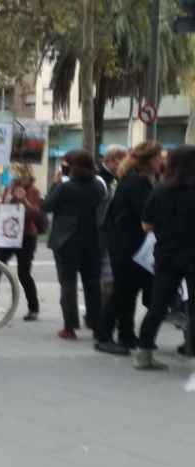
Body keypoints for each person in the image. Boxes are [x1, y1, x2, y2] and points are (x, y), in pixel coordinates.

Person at [94, 141, 162, 355]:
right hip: (128, 245)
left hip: (128, 244)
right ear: (149, 160)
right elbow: (147, 213)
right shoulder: (137, 183)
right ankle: (104, 336)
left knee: (129, 291)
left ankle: (126, 334)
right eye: (158, 157)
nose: (161, 161)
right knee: (122, 292)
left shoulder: (134, 179)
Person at [133, 146, 195, 370]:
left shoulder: (160, 190)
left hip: (167, 255)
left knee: (158, 306)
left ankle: (144, 353)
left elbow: (146, 224)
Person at [42, 149, 104, 340]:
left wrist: (55, 183)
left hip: (66, 241)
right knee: (92, 283)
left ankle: (70, 327)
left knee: (68, 284)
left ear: (71, 166)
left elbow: (47, 206)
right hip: (92, 240)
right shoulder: (98, 186)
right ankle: (95, 323)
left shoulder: (64, 187)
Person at [0, 163, 44, 322]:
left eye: (16, 172)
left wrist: (24, 200)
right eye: (12, 172)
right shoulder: (9, 188)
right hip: (8, 235)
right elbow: (4, 210)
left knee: (24, 274)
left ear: (25, 173)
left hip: (26, 236)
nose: (13, 175)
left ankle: (33, 308)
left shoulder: (33, 190)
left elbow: (36, 214)